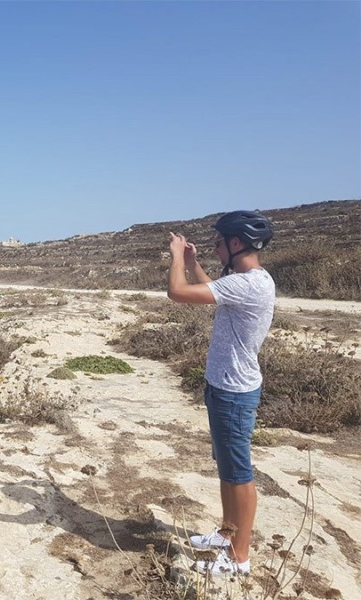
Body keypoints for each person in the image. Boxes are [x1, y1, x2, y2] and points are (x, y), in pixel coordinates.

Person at [167, 210, 275, 576]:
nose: (214, 248)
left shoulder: (247, 284)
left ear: (235, 243)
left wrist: (177, 258)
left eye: (218, 242)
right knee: (228, 470)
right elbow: (217, 291)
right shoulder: (252, 281)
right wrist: (195, 264)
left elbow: (177, 293)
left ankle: (239, 557)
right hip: (226, 386)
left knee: (239, 474)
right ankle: (228, 536)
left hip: (232, 392)